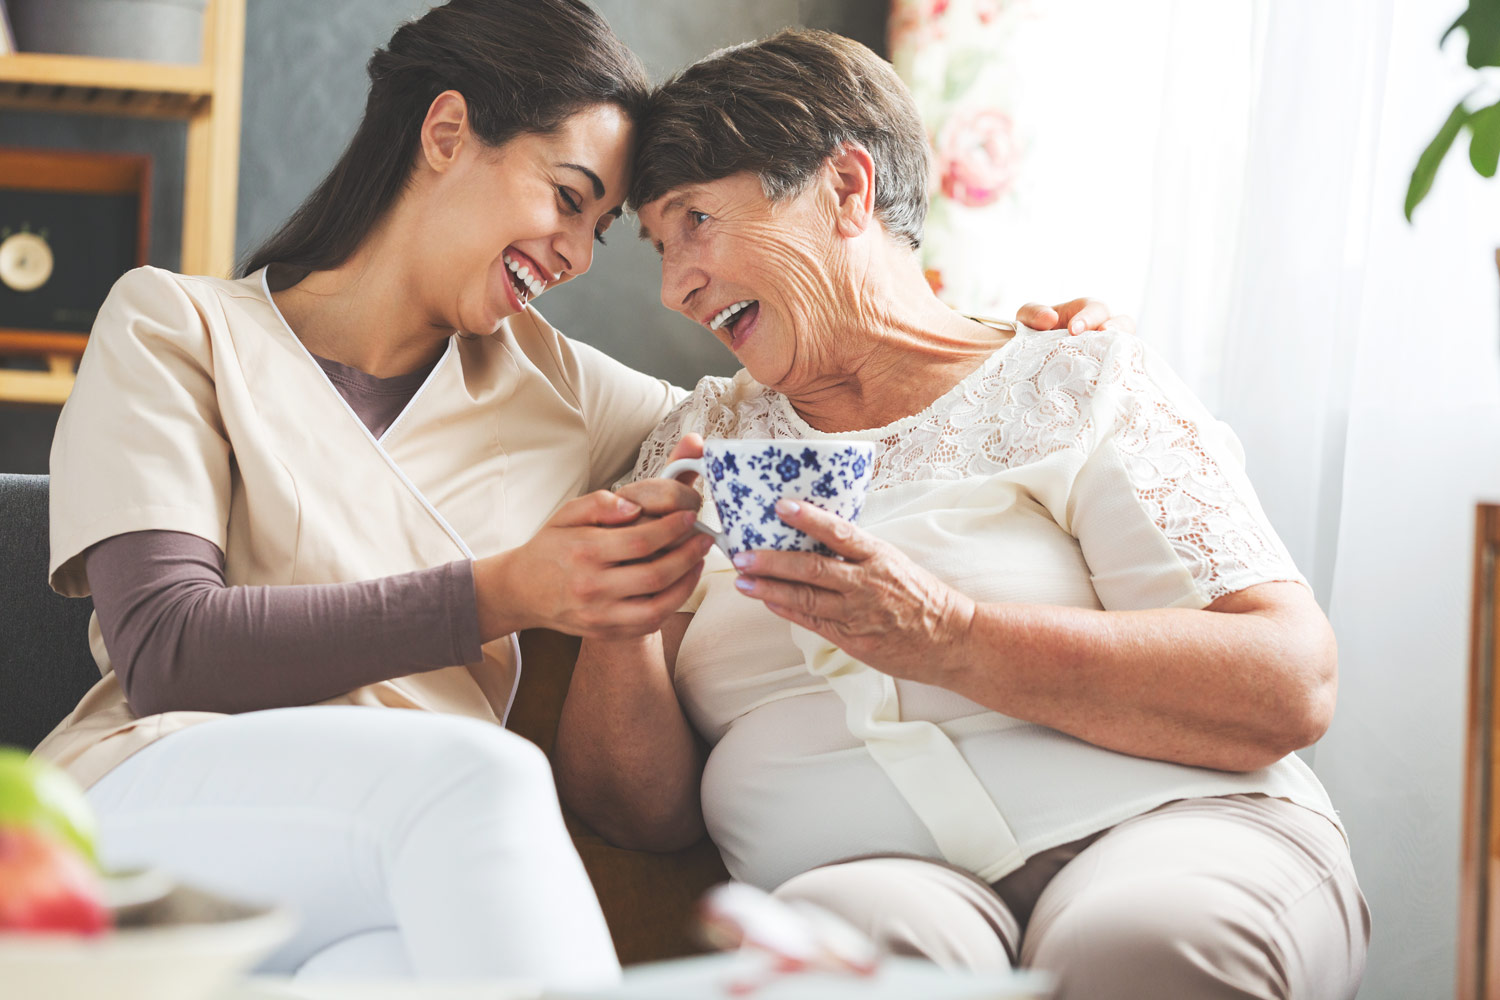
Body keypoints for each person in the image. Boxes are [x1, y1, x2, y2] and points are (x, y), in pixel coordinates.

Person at [30, 1, 1116, 985]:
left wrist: (986, 346)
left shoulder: (573, 396)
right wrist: (503, 591)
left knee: (381, 975)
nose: (576, 255)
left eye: (599, 233)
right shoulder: (177, 326)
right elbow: (170, 648)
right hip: (157, 798)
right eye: (567, 197)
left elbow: (800, 393)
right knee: (483, 777)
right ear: (447, 131)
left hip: (376, 869)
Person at [554, 28, 1371, 1000]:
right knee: (844, 962)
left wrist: (950, 635)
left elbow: (1285, 685)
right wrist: (622, 626)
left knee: (1143, 943)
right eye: (658, 242)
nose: (674, 284)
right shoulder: (692, 447)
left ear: (847, 188)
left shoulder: (1074, 377)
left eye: (696, 221)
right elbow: (638, 815)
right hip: (871, 878)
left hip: (1171, 825)